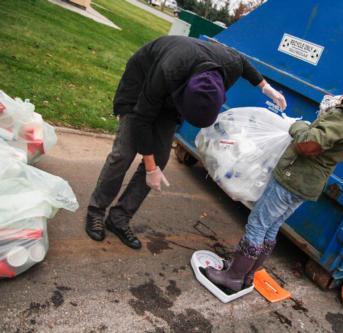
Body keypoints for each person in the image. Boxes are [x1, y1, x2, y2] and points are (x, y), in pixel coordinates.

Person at [206, 55, 343, 292]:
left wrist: (296, 127)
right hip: (306, 182)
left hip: (293, 177)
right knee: (270, 227)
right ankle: (246, 275)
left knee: (257, 223)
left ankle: (233, 277)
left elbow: (307, 145)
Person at [85, 36, 286, 249]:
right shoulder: (168, 69)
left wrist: (266, 88)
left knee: (160, 159)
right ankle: (96, 210)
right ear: (181, 100)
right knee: (123, 155)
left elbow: (244, 63)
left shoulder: (228, 65)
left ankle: (119, 218)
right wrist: (149, 168)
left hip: (174, 89)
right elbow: (143, 120)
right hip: (142, 84)